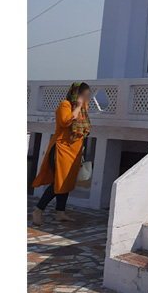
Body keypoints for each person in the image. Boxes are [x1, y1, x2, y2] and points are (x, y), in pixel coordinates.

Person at [32, 81, 91, 226]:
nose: (85, 99)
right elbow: (66, 121)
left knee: (68, 182)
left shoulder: (83, 108)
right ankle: (38, 210)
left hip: (74, 150)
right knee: (59, 181)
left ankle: (60, 213)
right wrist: (77, 106)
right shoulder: (65, 105)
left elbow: (85, 127)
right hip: (62, 149)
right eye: (83, 95)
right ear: (77, 94)